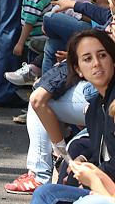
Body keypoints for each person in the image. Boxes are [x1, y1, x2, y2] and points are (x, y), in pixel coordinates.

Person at [28, 29, 115, 203]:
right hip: (104, 186)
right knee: (45, 193)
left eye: (102, 55)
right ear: (78, 69)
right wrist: (84, 162)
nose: (96, 63)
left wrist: (93, 177)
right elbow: (102, 150)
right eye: (87, 59)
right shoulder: (94, 109)